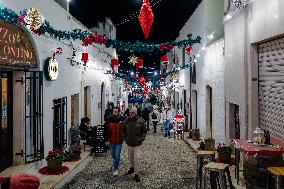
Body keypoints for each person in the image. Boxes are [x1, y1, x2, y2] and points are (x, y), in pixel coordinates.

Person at [122, 107, 147, 182]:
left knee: (137, 158)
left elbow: (144, 131)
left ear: (136, 112)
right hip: (129, 143)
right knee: (130, 157)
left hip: (137, 144)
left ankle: (136, 174)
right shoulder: (126, 120)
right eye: (130, 112)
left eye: (133, 112)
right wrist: (125, 138)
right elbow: (123, 129)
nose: (131, 114)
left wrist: (141, 139)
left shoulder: (141, 121)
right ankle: (132, 167)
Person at [105, 107, 123, 176]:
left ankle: (116, 169)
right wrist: (106, 140)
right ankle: (116, 161)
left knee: (117, 155)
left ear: (118, 112)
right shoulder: (109, 119)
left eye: (116, 112)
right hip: (111, 140)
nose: (114, 113)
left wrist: (124, 138)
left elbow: (125, 129)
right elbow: (105, 130)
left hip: (119, 141)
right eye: (113, 111)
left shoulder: (122, 119)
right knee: (112, 154)